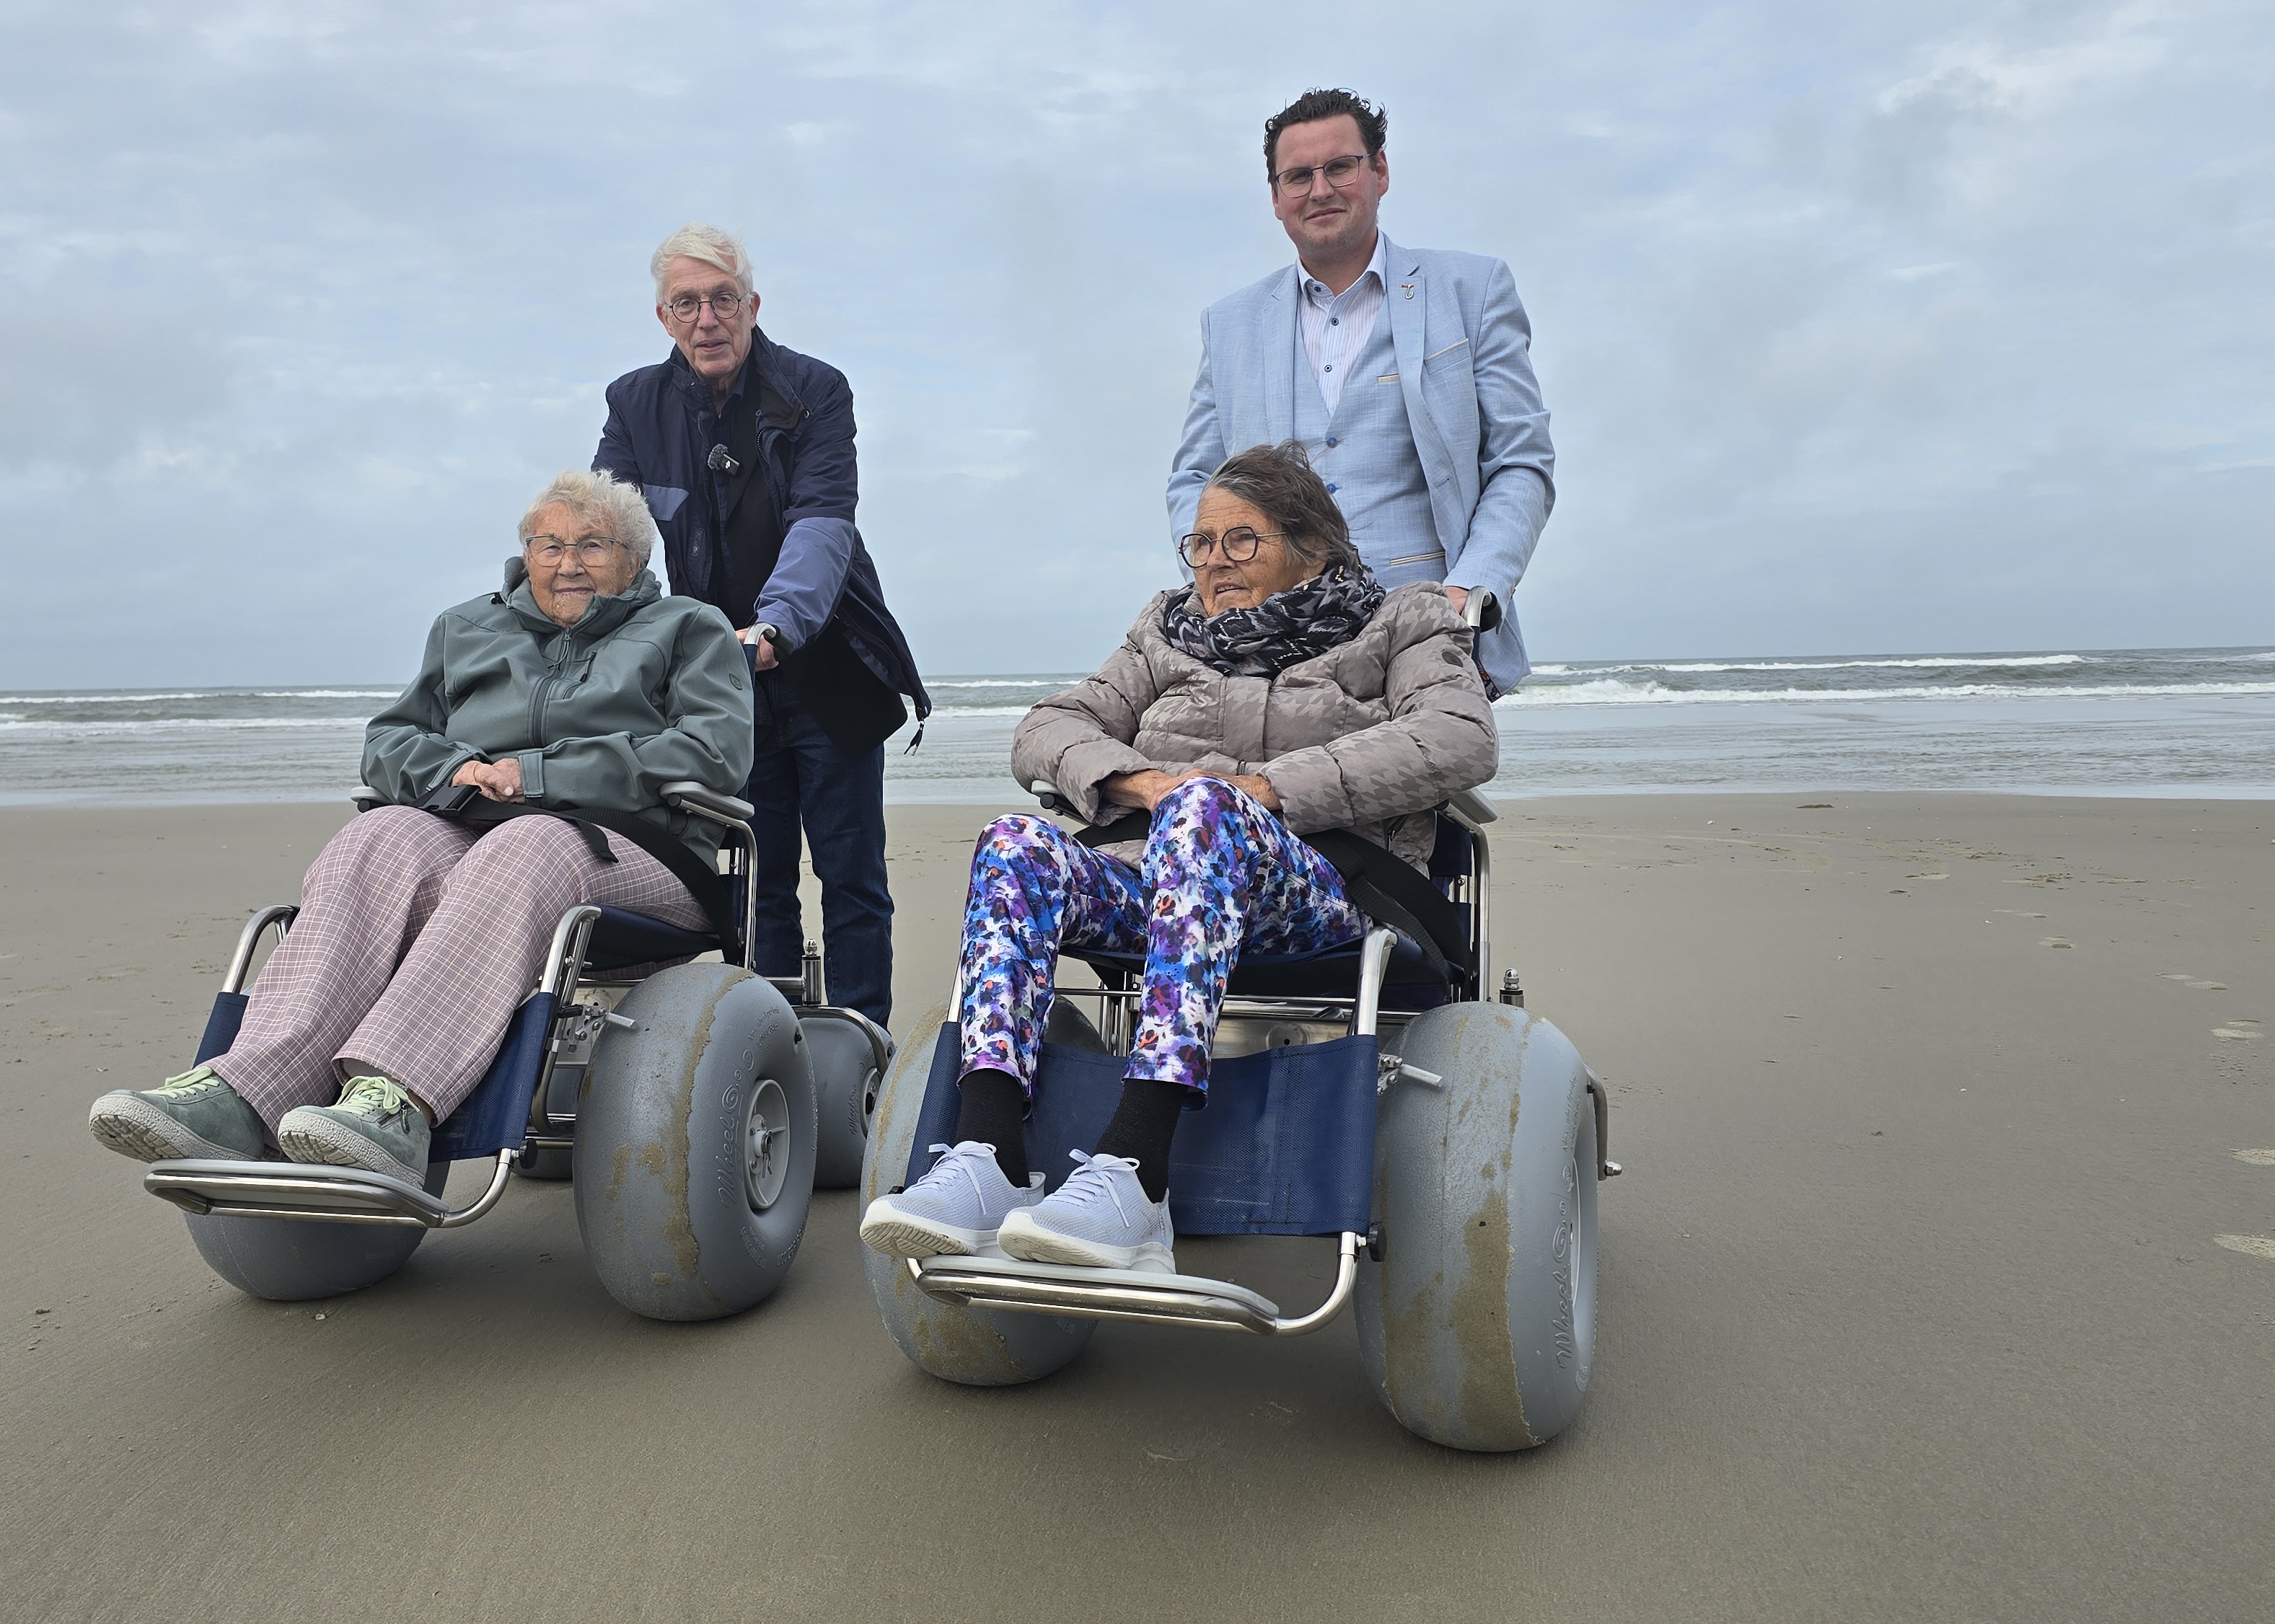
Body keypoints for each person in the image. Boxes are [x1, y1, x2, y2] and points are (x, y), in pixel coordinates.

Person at [861, 441, 1496, 1272]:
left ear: (1315, 547)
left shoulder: (1401, 620)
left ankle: (1138, 1170)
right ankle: (987, 1157)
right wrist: (1140, 779)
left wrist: (1263, 790)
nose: (1214, 561)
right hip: (1164, 878)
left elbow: (1460, 736)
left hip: (1319, 892)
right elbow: (1045, 729)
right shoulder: (1165, 631)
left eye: (1242, 540)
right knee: (1016, 842)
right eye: (1201, 542)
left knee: (1207, 806)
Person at [87, 470, 752, 1188]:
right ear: (525, 552)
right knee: (377, 836)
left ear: (634, 558)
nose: (567, 562)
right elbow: (389, 740)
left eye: (592, 544)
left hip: (638, 849)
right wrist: (460, 768)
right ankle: (245, 1090)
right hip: (474, 828)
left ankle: (393, 1098)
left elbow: (713, 751)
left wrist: (540, 774)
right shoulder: (466, 628)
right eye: (549, 544)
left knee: (527, 843)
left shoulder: (688, 627)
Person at [593, 224, 927, 1028]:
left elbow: (821, 523)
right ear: (663, 317)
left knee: (851, 875)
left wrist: (774, 626)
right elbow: (613, 536)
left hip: (828, 664)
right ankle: (766, 1041)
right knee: (756, 876)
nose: (707, 319)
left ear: (752, 305)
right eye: (687, 303)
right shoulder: (633, 402)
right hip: (723, 683)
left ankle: (861, 1046)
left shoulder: (815, 389)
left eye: (723, 299)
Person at [1169, 87, 1555, 695]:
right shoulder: (1230, 323)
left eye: (1340, 167)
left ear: (1379, 170)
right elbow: (1195, 480)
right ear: (1276, 197)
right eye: (1298, 176)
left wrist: (1473, 589)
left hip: (1429, 637)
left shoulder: (1472, 290)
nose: (1319, 190)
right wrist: (1220, 585)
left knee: (1403, 787)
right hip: (1272, 643)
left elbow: (1521, 462)